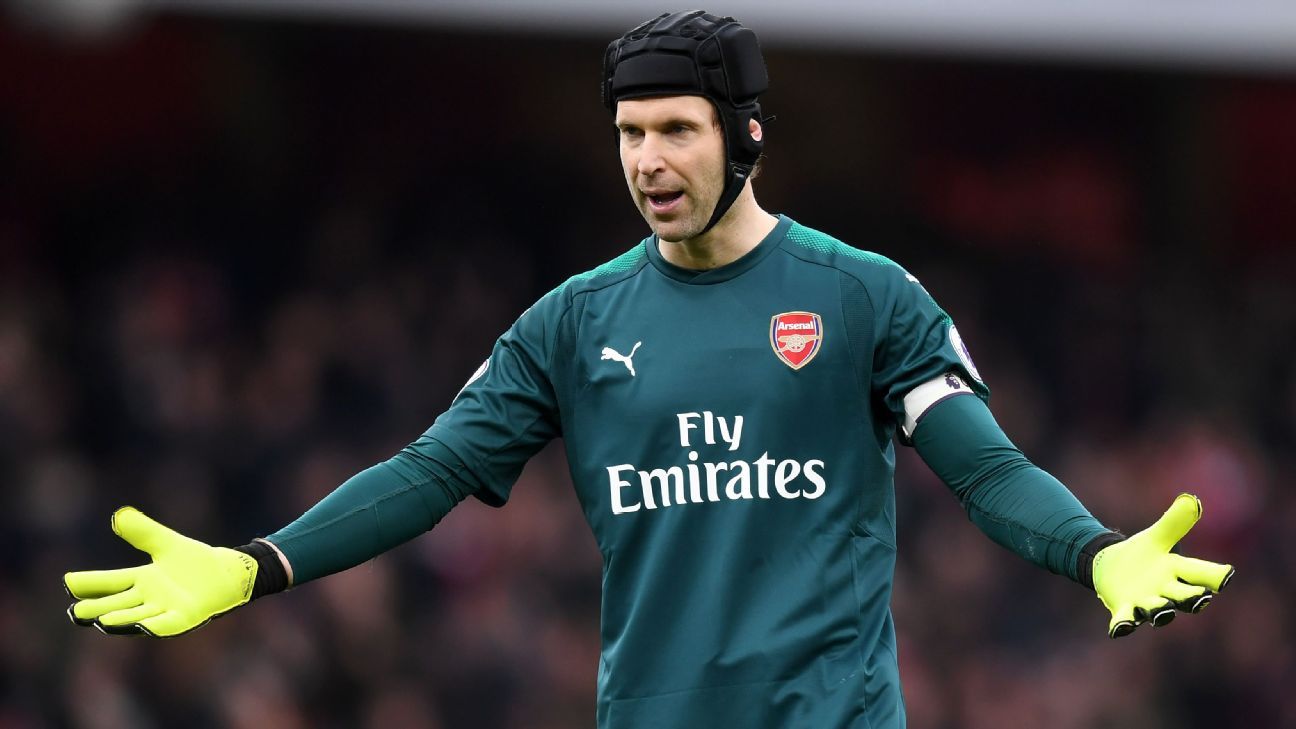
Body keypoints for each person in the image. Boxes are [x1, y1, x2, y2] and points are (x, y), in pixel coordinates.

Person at [64, 11, 1235, 729]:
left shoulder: (864, 297)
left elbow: (984, 468)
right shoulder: (572, 325)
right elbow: (430, 473)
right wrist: (259, 565)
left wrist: (1094, 553)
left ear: (747, 137)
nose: (648, 160)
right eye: (629, 132)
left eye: (677, 128)